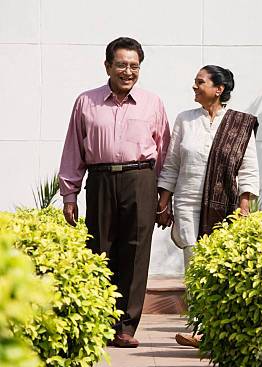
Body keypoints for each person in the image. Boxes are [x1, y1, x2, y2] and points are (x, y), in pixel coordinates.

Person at [58, 37, 170, 348]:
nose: (128, 71)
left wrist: (164, 196)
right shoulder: (86, 102)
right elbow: (73, 149)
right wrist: (70, 195)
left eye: (134, 66)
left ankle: (126, 327)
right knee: (100, 248)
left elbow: (164, 152)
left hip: (141, 179)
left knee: (135, 252)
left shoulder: (153, 103)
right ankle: (101, 321)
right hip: (101, 179)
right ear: (108, 66)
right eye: (121, 64)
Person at [156, 65, 259, 348]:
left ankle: (219, 328)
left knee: (220, 266)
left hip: (225, 204)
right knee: (195, 264)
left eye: (200, 82)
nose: (194, 86)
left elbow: (248, 168)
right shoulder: (185, 120)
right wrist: (163, 202)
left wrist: (245, 205)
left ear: (218, 89)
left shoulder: (240, 124)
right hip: (188, 202)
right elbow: (173, 162)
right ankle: (200, 329)